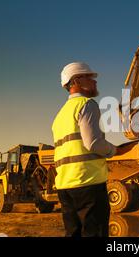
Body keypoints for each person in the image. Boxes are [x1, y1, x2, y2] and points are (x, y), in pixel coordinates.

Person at [52, 62, 117, 237]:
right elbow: (93, 143)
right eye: (90, 77)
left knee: (73, 233)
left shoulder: (60, 115)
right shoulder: (87, 104)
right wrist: (113, 150)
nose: (95, 81)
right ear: (77, 80)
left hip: (65, 187)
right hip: (88, 185)